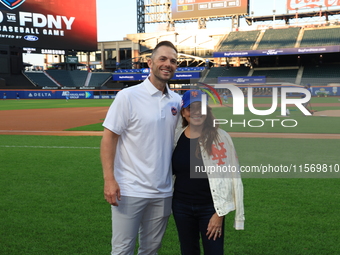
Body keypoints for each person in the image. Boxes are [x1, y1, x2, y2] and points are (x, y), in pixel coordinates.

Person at [100, 41, 182, 255]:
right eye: (163, 59)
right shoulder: (128, 96)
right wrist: (109, 179)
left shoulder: (177, 101)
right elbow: (109, 138)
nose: (168, 64)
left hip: (163, 191)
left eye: (173, 61)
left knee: (151, 249)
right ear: (150, 62)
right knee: (122, 249)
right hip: (130, 189)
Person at [172, 89, 245, 255]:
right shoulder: (176, 138)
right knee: (188, 251)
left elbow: (231, 176)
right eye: (191, 108)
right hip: (181, 207)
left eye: (201, 108)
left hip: (210, 208)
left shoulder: (221, 137)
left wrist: (220, 214)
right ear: (183, 112)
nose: (196, 112)